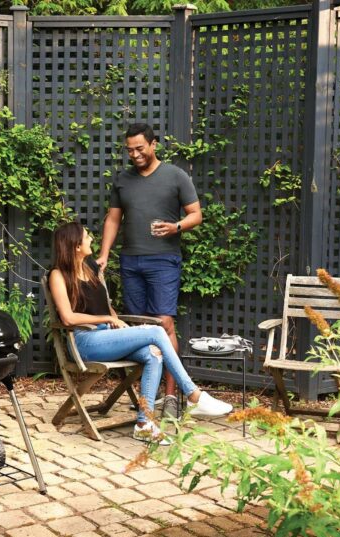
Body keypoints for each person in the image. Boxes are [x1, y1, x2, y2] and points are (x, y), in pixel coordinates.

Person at [49, 222, 233, 444]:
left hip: (107, 337)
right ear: (75, 245)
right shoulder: (58, 275)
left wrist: (113, 318)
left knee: (153, 353)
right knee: (156, 331)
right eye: (87, 237)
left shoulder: (91, 270)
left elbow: (105, 308)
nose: (91, 239)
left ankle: (144, 424)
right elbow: (68, 318)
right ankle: (193, 395)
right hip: (84, 342)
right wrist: (108, 319)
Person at [97, 123, 202, 415]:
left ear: (154, 145)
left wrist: (176, 226)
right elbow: (113, 219)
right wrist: (104, 254)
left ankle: (170, 397)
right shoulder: (122, 179)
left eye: (140, 148)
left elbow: (196, 214)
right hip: (130, 261)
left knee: (164, 323)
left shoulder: (175, 176)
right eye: (129, 149)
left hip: (163, 260)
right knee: (141, 328)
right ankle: (148, 395)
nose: (134, 154)